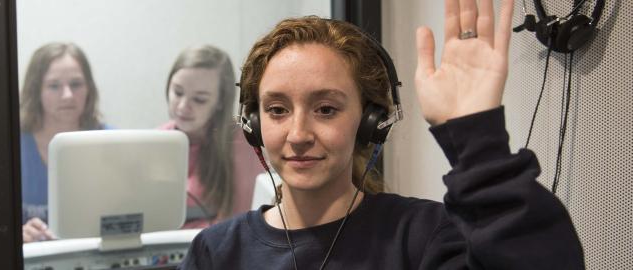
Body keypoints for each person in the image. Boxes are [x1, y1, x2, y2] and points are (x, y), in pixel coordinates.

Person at [179, 0, 585, 269]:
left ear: (372, 119)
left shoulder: (423, 237)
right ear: (253, 122)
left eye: (326, 109)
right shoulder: (214, 253)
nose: (298, 133)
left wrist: (476, 138)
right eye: (277, 110)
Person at [161, 45, 264, 228]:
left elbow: (245, 224)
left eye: (199, 99)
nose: (183, 106)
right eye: (177, 92)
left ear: (220, 102)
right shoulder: (157, 140)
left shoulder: (242, 141)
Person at [19, 42, 107, 243]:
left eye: (76, 84)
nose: (67, 95)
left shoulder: (113, 143)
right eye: (54, 86)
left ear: (89, 89)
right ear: (36, 91)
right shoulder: (9, 148)